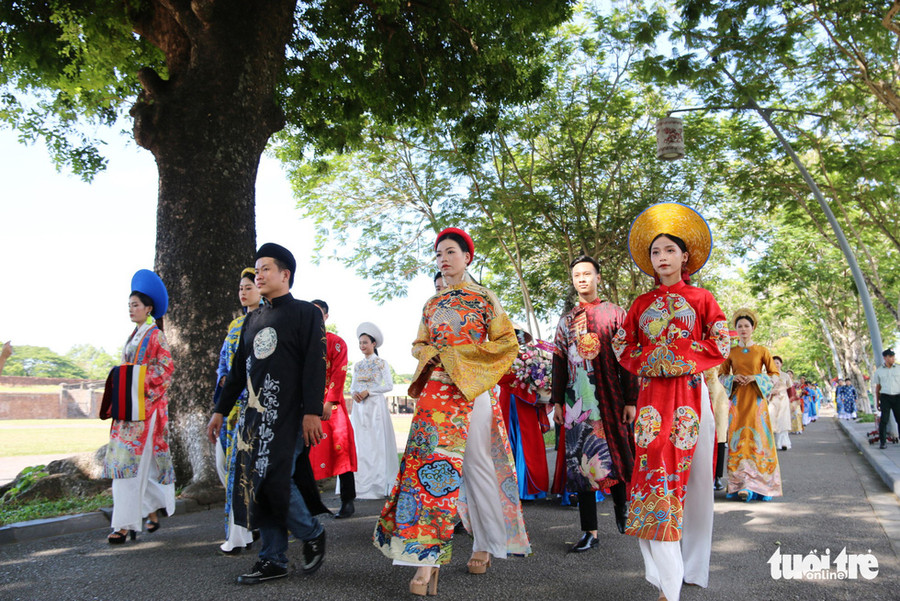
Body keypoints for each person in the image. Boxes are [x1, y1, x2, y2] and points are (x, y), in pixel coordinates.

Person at [374, 227, 530, 597]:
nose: (443, 259)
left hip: (473, 392)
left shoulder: (485, 300)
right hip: (437, 395)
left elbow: (507, 344)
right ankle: (424, 561)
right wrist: (436, 358)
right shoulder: (431, 305)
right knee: (427, 469)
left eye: (450, 252)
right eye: (439, 254)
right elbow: (419, 344)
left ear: (467, 258)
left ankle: (484, 544)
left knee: (476, 467)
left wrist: (462, 360)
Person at [611, 202, 730, 601]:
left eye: (669, 250)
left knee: (696, 488)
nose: (661, 258)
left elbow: (720, 342)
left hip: (693, 401)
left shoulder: (701, 298)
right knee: (653, 479)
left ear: (685, 256)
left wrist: (676, 355)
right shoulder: (640, 305)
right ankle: (667, 579)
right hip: (650, 404)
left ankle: (690, 570)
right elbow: (623, 345)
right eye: (655, 252)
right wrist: (654, 361)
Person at [206, 243, 327, 585]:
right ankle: (272, 558)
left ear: (285, 275)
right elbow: (236, 374)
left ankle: (311, 531)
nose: (258, 275)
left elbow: (315, 368)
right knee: (257, 484)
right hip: (255, 416)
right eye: (256, 269)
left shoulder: (306, 314)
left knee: (275, 479)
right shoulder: (251, 321)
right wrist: (220, 411)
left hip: (291, 415)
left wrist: (312, 413)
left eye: (265, 269)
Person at [551, 254, 638, 552]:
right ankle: (590, 531)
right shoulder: (565, 322)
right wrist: (558, 402)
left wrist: (631, 399)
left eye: (587, 273)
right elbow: (559, 362)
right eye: (577, 275)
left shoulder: (616, 313)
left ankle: (624, 515)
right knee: (582, 465)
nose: (582, 279)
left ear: (598, 277)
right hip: (577, 403)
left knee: (618, 455)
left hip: (611, 397)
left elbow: (627, 359)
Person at [103, 269, 176, 544]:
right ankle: (144, 514)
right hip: (128, 412)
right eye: (129, 305)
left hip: (145, 414)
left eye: (136, 305)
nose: (131, 309)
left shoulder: (155, 336)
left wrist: (138, 381)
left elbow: (166, 370)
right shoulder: (135, 335)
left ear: (149, 308)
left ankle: (124, 524)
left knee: (133, 468)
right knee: (130, 467)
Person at [212, 267, 260, 555]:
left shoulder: (266, 323)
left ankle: (241, 534)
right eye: (241, 287)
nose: (243, 292)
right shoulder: (234, 326)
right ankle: (245, 529)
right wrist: (223, 380)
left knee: (245, 472)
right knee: (228, 467)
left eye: (249, 287)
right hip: (232, 408)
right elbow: (223, 362)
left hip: (253, 408)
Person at [719, 309, 783, 502]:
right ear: (735, 329)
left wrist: (756, 378)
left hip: (756, 401)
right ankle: (740, 484)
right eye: (740, 326)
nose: (743, 329)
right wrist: (733, 378)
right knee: (738, 441)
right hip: (737, 402)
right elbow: (721, 376)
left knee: (759, 441)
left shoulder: (762, 351)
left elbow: (774, 375)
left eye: (747, 326)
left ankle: (761, 485)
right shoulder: (730, 352)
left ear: (753, 328)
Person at [309, 299, 358, 518]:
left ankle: (348, 501)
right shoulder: (301, 342)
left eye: (318, 313)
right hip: (307, 407)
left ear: (326, 317)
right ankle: (309, 504)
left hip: (332, 407)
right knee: (306, 454)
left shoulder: (336, 342)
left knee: (340, 450)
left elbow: (339, 372)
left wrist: (329, 401)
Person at [497, 326, 551, 502]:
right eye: (512, 334)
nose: (516, 338)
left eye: (518, 335)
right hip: (508, 401)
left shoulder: (531, 355)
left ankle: (526, 488)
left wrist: (533, 379)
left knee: (527, 440)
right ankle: (507, 487)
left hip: (525, 401)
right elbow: (497, 376)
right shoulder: (500, 355)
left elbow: (538, 375)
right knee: (508, 440)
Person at [348, 322, 399, 499]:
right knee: (360, 443)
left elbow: (389, 386)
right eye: (360, 343)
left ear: (373, 344)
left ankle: (378, 483)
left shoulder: (381, 363)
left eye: (365, 343)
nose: (362, 346)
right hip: (360, 408)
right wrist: (354, 393)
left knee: (377, 443)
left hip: (375, 406)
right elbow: (352, 386)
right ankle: (360, 484)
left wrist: (369, 391)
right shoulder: (357, 365)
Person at [874, 348, 900, 450]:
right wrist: (877, 401)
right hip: (885, 397)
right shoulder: (879, 371)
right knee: (884, 420)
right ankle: (883, 442)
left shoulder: (898, 368)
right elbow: (878, 387)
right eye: (890, 357)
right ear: (885, 358)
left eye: (893, 356)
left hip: (898, 397)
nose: (893, 358)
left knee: (899, 420)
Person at [767, 356, 793, 451]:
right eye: (773, 363)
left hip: (783, 400)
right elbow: (764, 389)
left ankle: (783, 443)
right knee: (771, 419)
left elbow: (790, 389)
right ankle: (771, 444)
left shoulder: (786, 376)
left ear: (781, 364)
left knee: (783, 420)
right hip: (773, 400)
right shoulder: (768, 376)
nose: (776, 365)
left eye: (777, 363)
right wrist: (770, 392)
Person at [787, 370, 804, 434]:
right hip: (788, 400)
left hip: (795, 400)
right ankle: (790, 429)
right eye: (787, 374)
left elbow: (799, 391)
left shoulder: (796, 384)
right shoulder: (784, 382)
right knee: (789, 415)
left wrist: (797, 397)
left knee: (797, 414)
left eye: (790, 374)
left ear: (792, 375)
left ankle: (798, 428)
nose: (789, 375)